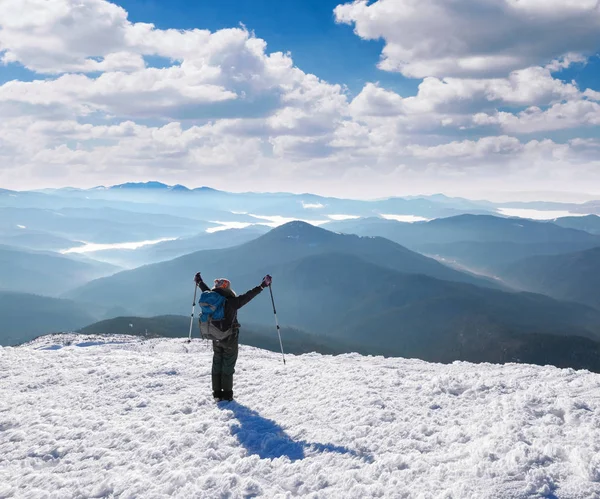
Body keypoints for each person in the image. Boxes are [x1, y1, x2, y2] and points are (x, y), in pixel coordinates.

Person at [194, 272, 272, 402]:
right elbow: (248, 296)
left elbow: (205, 290)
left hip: (215, 335)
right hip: (229, 337)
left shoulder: (213, 299)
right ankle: (227, 394)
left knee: (217, 363)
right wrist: (263, 285)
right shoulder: (231, 302)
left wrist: (199, 281)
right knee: (228, 365)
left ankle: (217, 393)